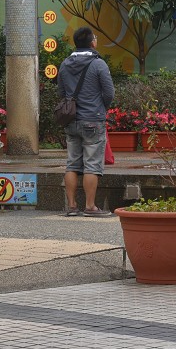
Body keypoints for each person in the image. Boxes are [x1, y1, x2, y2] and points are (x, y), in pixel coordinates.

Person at [58, 26, 115, 217]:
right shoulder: (98, 64)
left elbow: (61, 93)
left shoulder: (65, 64)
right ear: (92, 43)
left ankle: (72, 206)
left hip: (71, 120)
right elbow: (109, 93)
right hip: (93, 120)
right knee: (92, 164)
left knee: (72, 163)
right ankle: (90, 206)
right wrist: (100, 108)